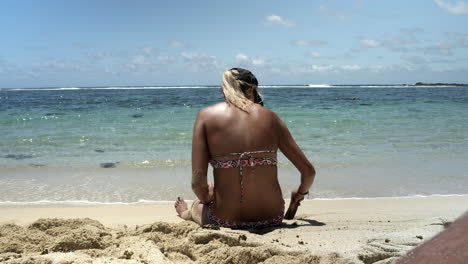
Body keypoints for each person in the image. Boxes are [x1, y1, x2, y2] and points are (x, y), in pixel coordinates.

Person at [174, 68, 315, 229]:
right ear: (251, 90)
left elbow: (197, 183)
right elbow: (309, 172)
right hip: (272, 217)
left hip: (226, 219)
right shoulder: (272, 118)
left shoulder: (206, 116)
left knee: (196, 206)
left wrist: (207, 198)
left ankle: (185, 212)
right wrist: (299, 193)